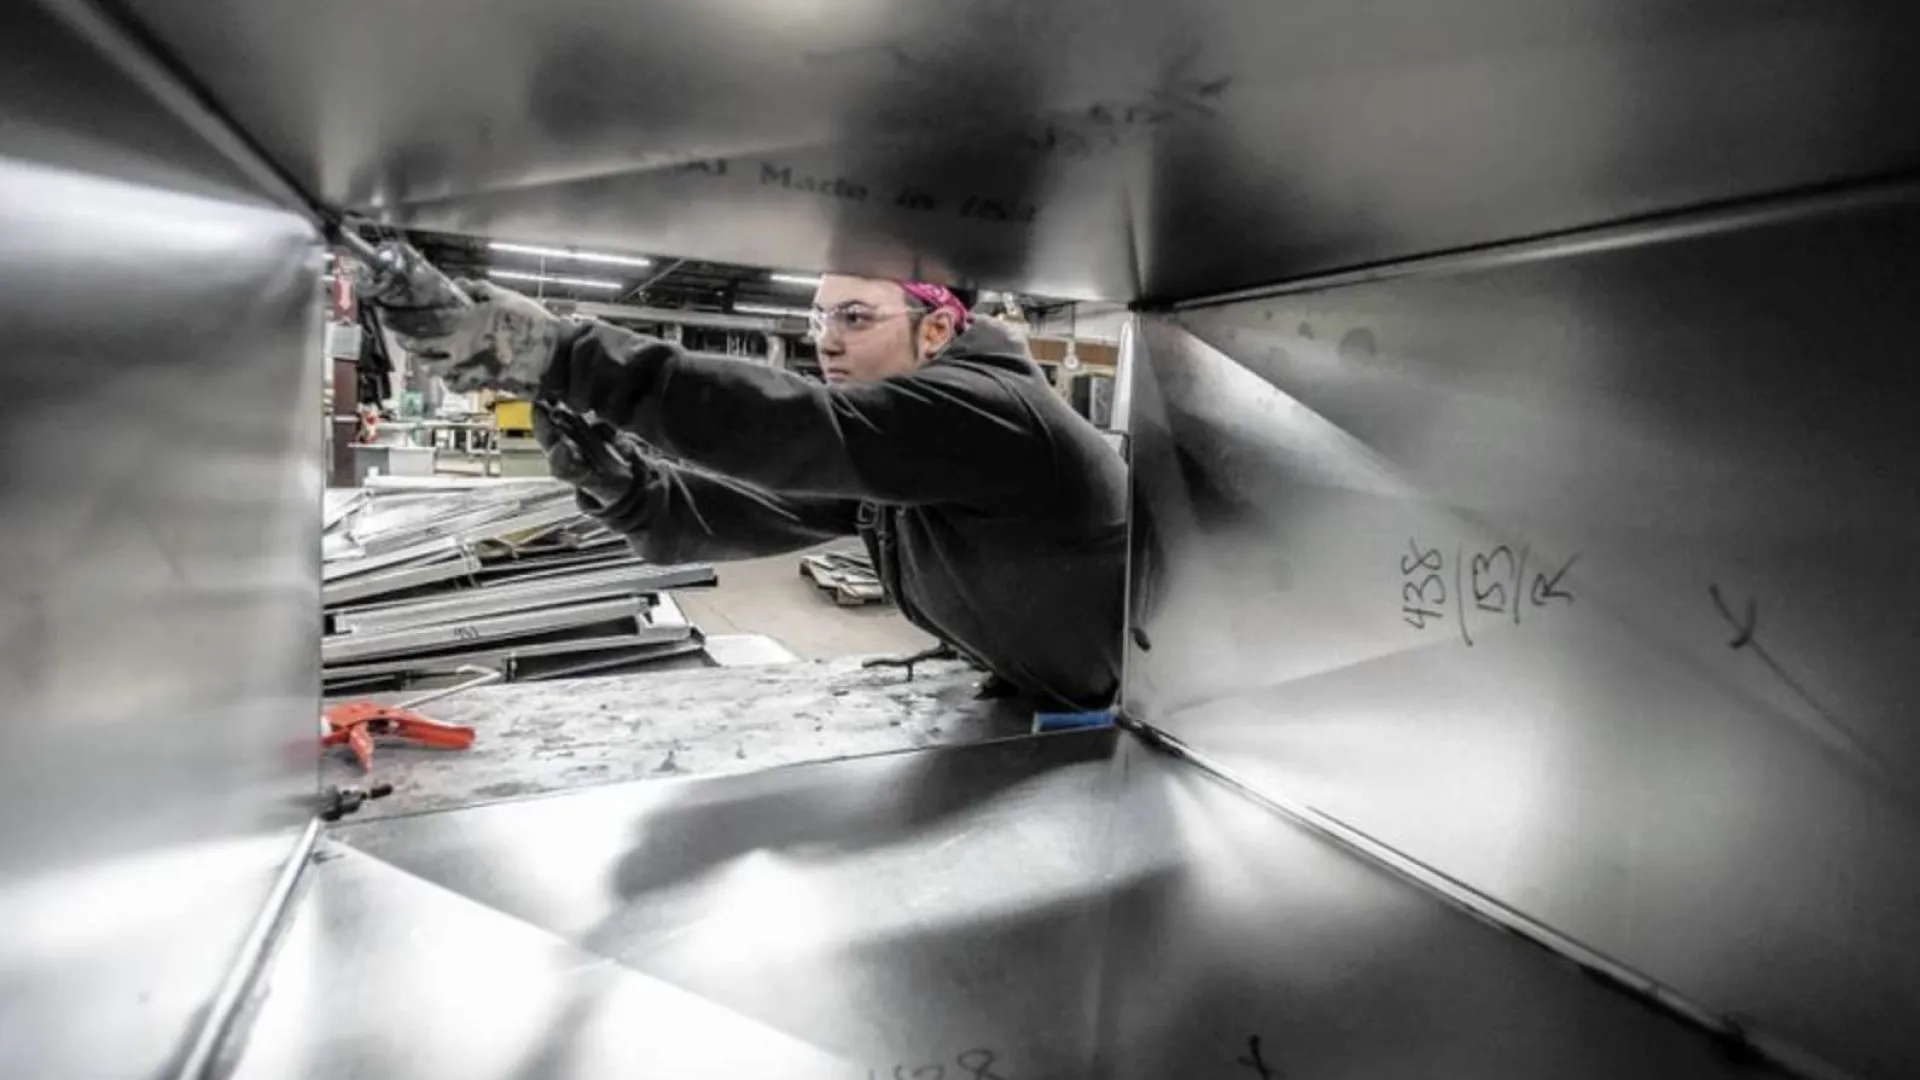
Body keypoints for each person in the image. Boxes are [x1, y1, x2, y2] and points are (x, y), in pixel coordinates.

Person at [376, 269, 1125, 710]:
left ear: (936, 332)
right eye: (820, 315)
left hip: (1127, 725)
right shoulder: (900, 463)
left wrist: (562, 356)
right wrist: (632, 492)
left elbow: (792, 429)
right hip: (1035, 700)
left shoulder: (990, 412)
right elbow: (756, 506)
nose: (824, 340)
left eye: (855, 318)